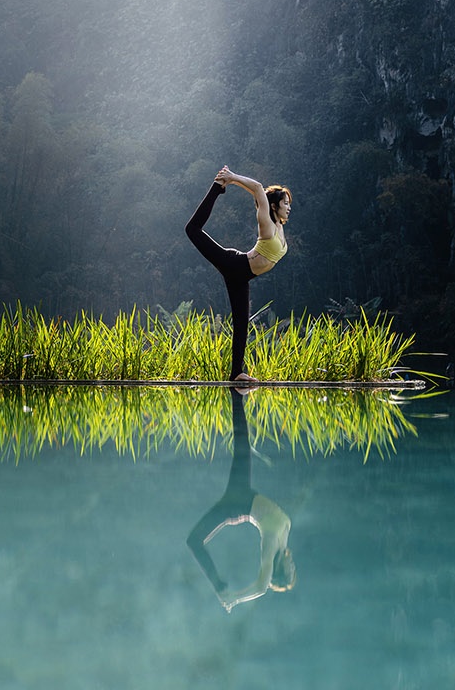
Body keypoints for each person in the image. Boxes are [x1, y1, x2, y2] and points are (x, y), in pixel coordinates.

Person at [186, 388, 296, 610]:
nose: (294, 565)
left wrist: (234, 597)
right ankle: (237, 396)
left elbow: (262, 587)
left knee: (194, 540)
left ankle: (219, 587)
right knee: (242, 444)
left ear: (281, 571)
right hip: (244, 497)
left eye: (291, 570)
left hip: (237, 505)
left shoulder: (271, 547)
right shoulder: (282, 545)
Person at [185, 165, 291, 384]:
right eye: (285, 203)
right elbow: (259, 188)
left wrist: (234, 181)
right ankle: (216, 188)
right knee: (192, 230)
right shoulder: (267, 224)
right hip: (234, 264)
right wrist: (231, 179)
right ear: (274, 206)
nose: (289, 207)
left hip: (243, 277)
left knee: (242, 322)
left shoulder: (280, 227)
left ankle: (236, 373)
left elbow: (257, 192)